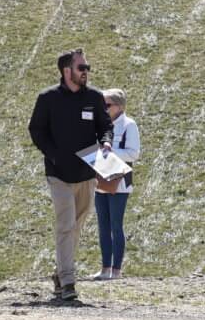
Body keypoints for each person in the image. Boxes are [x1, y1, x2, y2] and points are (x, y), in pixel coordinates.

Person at [27, 49, 112, 303]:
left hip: (86, 173)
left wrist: (106, 142)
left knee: (76, 227)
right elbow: (36, 130)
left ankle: (59, 274)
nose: (86, 72)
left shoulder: (95, 97)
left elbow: (104, 126)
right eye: (81, 67)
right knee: (66, 225)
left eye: (87, 67)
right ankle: (68, 282)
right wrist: (54, 156)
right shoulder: (48, 98)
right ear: (67, 71)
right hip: (59, 175)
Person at [89, 88, 140, 280]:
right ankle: (104, 268)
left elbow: (134, 153)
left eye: (107, 105)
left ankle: (116, 270)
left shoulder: (129, 125)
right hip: (101, 178)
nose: (103, 108)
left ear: (119, 106)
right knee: (103, 225)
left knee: (116, 225)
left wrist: (110, 151)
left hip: (120, 181)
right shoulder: (100, 124)